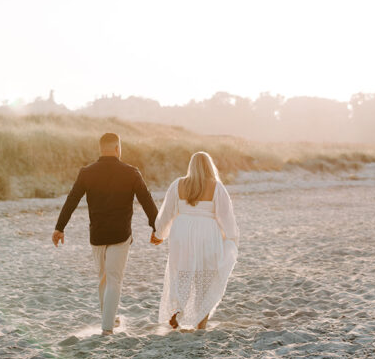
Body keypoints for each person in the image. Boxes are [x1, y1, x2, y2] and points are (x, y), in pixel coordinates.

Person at [52, 132, 160, 335]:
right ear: (118, 148)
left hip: (97, 235)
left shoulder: (87, 172)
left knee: (103, 279)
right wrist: (156, 227)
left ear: (100, 148)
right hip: (120, 235)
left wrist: (60, 227)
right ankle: (108, 327)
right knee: (114, 279)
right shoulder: (131, 172)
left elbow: (72, 200)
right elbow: (146, 200)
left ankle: (108, 320)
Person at [153, 151, 239, 330]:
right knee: (204, 279)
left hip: (181, 233)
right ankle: (201, 324)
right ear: (209, 167)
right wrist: (232, 238)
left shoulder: (178, 184)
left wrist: (159, 233)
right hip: (207, 234)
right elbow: (226, 216)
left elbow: (167, 212)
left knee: (181, 274)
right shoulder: (216, 187)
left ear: (191, 166)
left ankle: (177, 310)